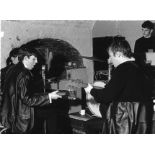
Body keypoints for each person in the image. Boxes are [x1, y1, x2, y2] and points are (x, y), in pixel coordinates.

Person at [84, 36, 153, 134]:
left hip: (125, 122)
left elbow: (105, 97)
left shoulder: (122, 69)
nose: (110, 60)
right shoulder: (141, 68)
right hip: (142, 121)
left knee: (89, 125)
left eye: (111, 56)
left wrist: (90, 89)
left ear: (119, 54)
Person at [0, 47, 62, 134]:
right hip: (21, 120)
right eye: (34, 59)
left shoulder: (13, 69)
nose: (36, 62)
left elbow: (20, 94)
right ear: (25, 58)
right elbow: (27, 99)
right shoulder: (24, 74)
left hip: (10, 117)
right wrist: (49, 96)